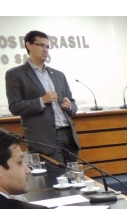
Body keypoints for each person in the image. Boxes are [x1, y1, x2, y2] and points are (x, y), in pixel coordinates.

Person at [5, 30, 80, 164]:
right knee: (57, 178)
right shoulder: (15, 74)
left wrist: (70, 106)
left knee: (74, 175)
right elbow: (15, 107)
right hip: (44, 137)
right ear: (28, 45)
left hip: (68, 134)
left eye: (47, 47)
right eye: (40, 45)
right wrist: (41, 100)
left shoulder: (58, 75)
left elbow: (73, 104)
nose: (45, 50)